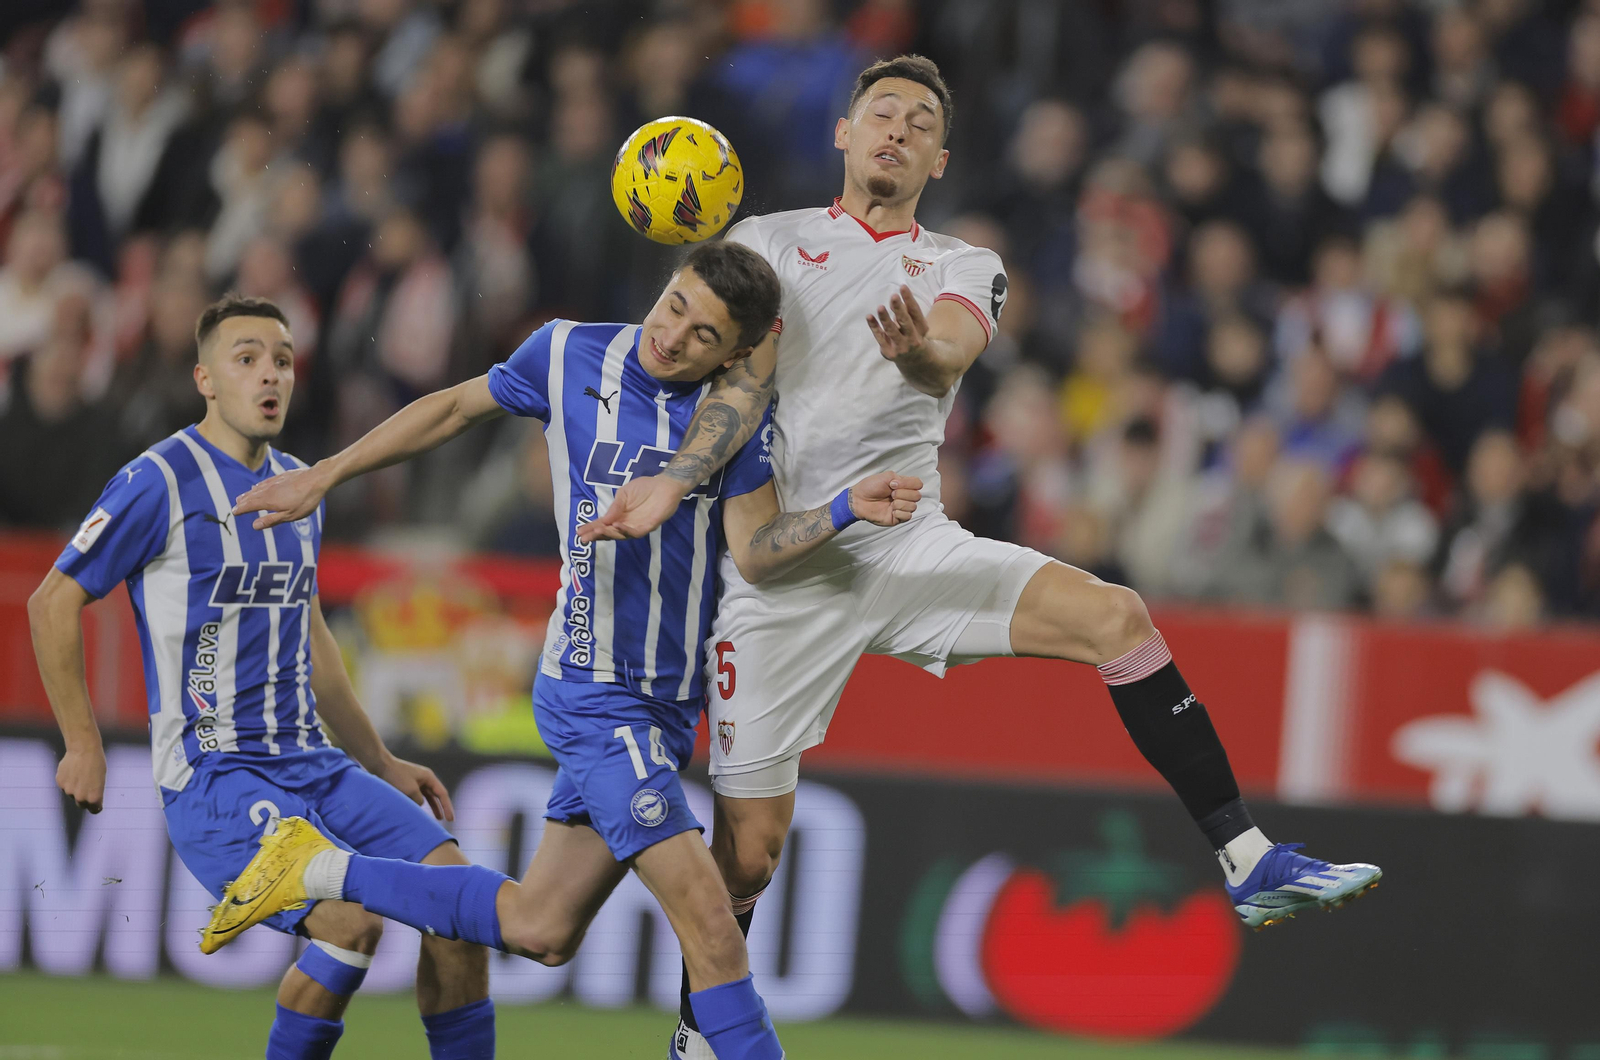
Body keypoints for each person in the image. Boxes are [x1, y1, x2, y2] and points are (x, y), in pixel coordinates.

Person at [572, 56, 1384, 1058]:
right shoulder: (765, 243)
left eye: (919, 122)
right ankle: (701, 1041)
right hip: (787, 573)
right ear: (842, 132)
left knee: (1117, 616)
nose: (897, 131)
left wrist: (914, 352)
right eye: (881, 113)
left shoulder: (963, 263)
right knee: (748, 860)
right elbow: (739, 390)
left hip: (910, 545)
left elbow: (948, 353)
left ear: (939, 158)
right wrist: (678, 475)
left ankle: (1248, 857)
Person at [210, 241, 922, 1060]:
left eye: (702, 334)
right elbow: (449, 409)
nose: (673, 332)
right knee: (715, 933)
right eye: (674, 304)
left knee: (540, 928)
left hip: (663, 709)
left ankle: (318, 870)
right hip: (594, 693)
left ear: (734, 353)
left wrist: (840, 508)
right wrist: (323, 475)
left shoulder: (732, 421)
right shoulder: (567, 351)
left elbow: (756, 546)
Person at [27, 295, 494, 1060]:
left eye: (281, 358)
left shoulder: (299, 487)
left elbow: (315, 650)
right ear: (206, 378)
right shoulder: (160, 481)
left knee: (459, 925)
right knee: (354, 922)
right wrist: (81, 742)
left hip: (316, 765)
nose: (270, 374)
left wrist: (380, 760)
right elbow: (52, 601)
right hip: (216, 779)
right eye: (247, 359)